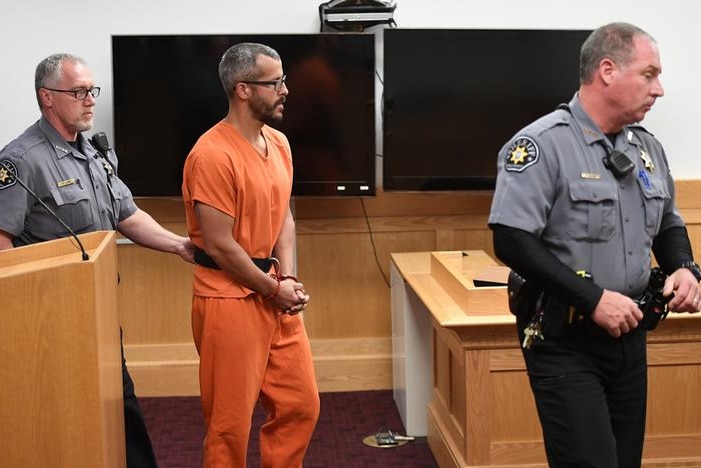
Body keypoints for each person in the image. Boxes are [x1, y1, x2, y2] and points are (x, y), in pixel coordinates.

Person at [488, 23, 701, 468]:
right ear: (607, 70)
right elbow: (511, 239)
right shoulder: (541, 145)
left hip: (630, 337)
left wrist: (683, 267)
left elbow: (667, 222)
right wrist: (594, 299)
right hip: (565, 340)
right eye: (649, 74)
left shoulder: (647, 149)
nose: (659, 89)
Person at [0, 53, 194, 468]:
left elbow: (128, 215)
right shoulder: (19, 161)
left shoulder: (96, 152)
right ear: (47, 98)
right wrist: (26, 314)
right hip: (51, 321)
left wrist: (179, 245)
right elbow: (1, 240)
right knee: (62, 416)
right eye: (78, 92)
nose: (89, 99)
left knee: (116, 404)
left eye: (92, 90)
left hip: (100, 310)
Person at [181, 43, 320, 467]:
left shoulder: (279, 143)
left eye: (283, 80)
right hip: (228, 300)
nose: (285, 90)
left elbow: (285, 219)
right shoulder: (211, 155)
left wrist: (288, 280)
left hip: (274, 293)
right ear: (243, 90)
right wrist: (272, 288)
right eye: (274, 82)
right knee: (229, 427)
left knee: (300, 405)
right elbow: (220, 245)